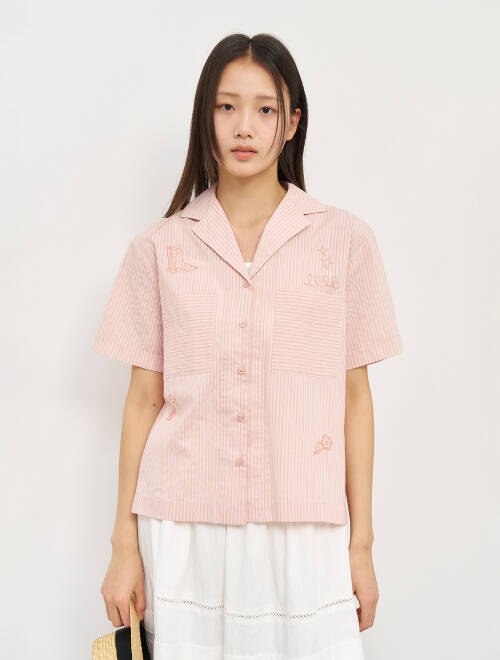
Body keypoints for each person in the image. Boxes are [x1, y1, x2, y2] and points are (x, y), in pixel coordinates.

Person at [93, 32, 403, 660]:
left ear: (292, 123)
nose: (244, 127)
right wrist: (124, 545)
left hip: (306, 525)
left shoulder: (345, 242)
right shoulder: (158, 249)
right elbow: (142, 402)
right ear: (205, 116)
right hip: (184, 526)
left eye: (265, 109)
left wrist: (361, 547)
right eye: (227, 106)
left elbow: (355, 401)